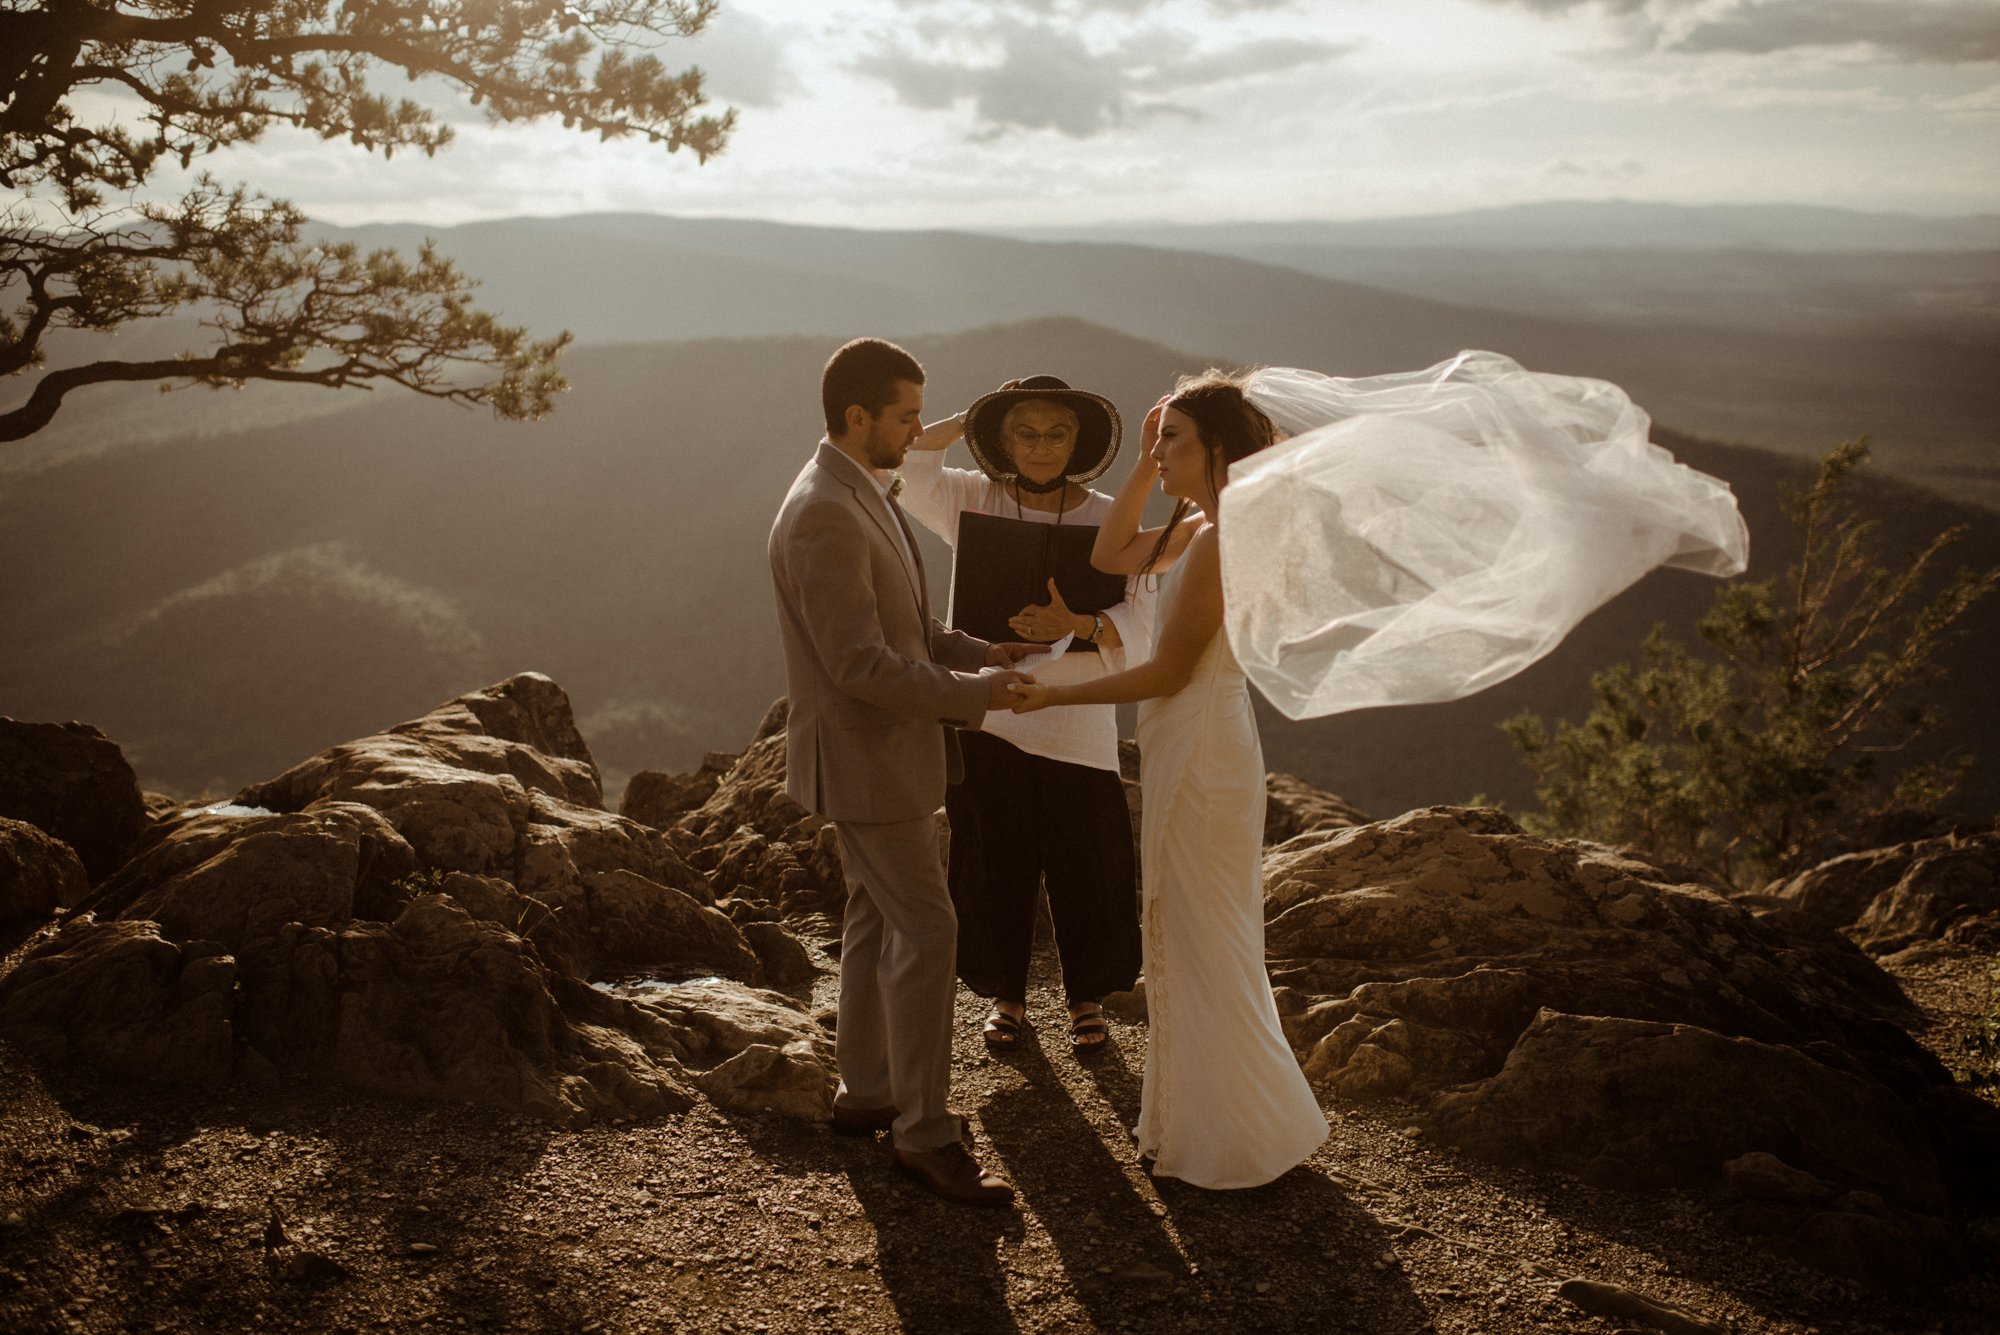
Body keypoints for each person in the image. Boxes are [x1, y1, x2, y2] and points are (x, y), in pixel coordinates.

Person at [1009, 372, 1330, 1189]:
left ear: (1219, 447)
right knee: (1196, 932)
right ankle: (1224, 1123)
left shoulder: (1220, 539)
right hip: (1196, 741)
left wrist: (1056, 690)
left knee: (1202, 935)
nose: (1159, 448)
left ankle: (1235, 1139)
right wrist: (1153, 462)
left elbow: (1166, 671)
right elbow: (1108, 554)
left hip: (1203, 748)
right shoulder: (1202, 525)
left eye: (1175, 437)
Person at [768, 336, 1042, 1207]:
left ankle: (867, 1092)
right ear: (858, 417)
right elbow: (859, 666)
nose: (921, 433)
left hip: (883, 757)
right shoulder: (823, 510)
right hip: (871, 758)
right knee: (928, 929)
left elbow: (903, 629)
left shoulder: (858, 490)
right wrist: (980, 694)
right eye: (909, 418)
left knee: (873, 919)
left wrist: (977, 648)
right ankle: (925, 1133)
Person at [897, 374, 1148, 1058]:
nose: (1042, 446)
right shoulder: (972, 498)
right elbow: (911, 462)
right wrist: (973, 411)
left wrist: (1081, 623)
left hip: (1077, 716)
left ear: (1079, 441)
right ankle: (1007, 998)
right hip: (992, 710)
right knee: (993, 860)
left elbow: (1142, 612)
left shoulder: (1106, 516)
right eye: (1025, 432)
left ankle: (1086, 999)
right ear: (1003, 441)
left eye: (1057, 432)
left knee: (1087, 865)